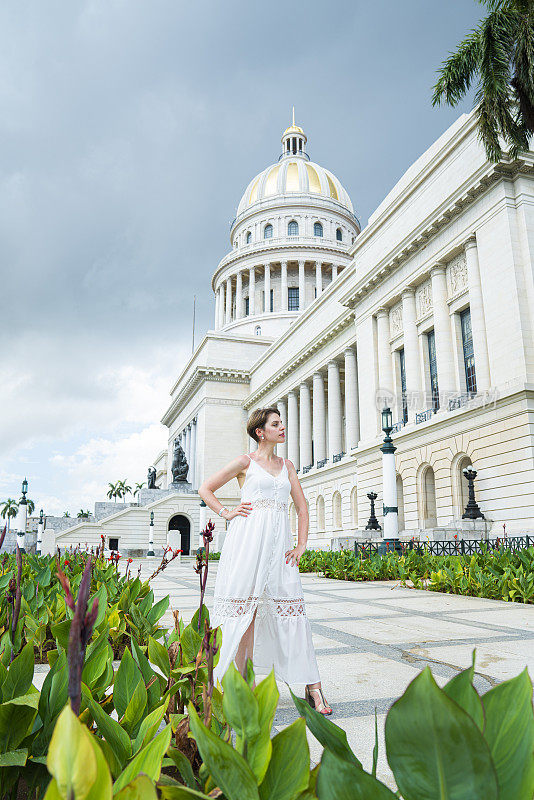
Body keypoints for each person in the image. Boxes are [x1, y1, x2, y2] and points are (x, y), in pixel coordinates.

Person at [198, 406, 332, 715]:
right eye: (276, 424)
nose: (282, 427)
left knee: (294, 612)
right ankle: (241, 682)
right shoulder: (246, 462)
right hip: (246, 545)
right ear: (261, 431)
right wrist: (226, 512)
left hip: (279, 550)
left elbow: (302, 507)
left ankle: (313, 686)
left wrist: (300, 545)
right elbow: (206, 488)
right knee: (246, 612)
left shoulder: (287, 465)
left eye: (282, 422)